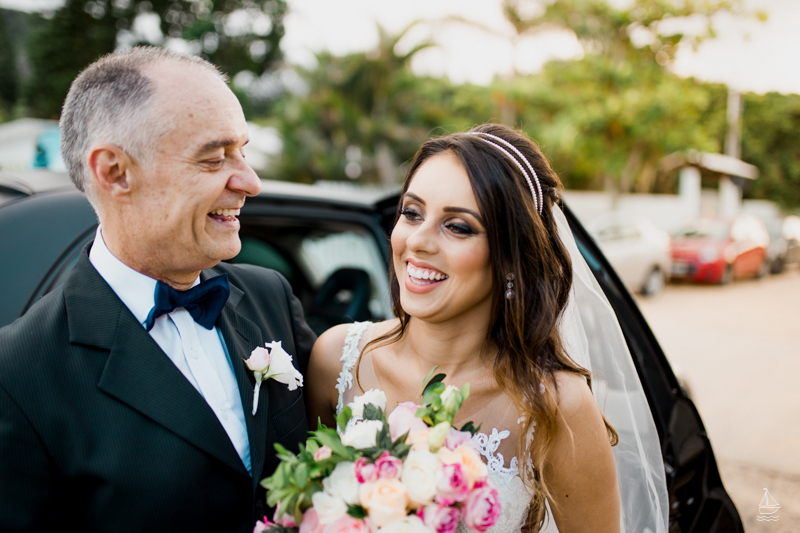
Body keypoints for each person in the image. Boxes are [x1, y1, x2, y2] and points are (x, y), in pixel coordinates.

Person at [0, 47, 315, 532]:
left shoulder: (270, 296)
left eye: (243, 152)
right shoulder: (19, 375)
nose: (250, 181)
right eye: (215, 158)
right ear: (115, 172)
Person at [307, 124, 669, 532]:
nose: (418, 241)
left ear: (510, 258)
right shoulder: (336, 359)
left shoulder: (556, 408)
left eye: (458, 226)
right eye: (412, 213)